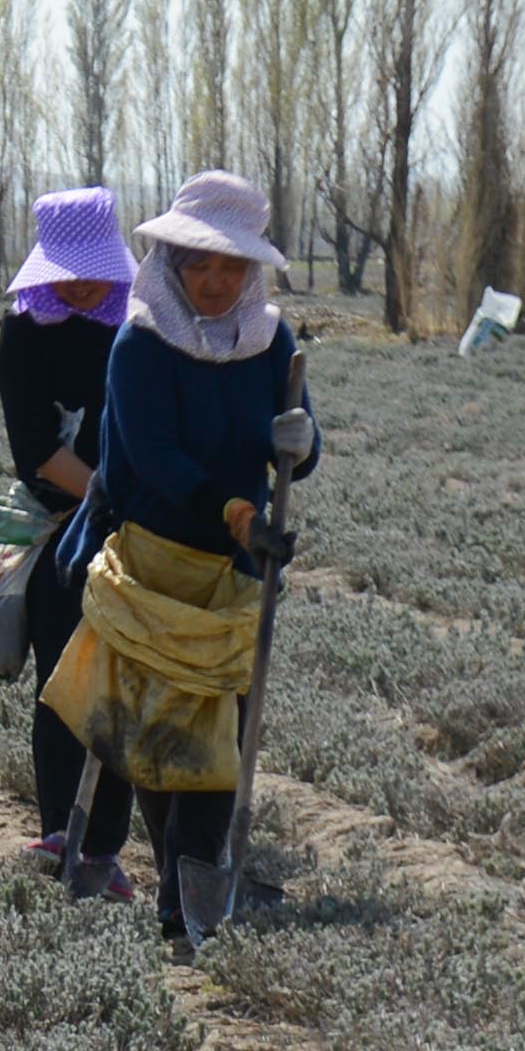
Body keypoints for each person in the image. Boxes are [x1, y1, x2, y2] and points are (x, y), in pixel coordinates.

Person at [69, 172, 318, 943]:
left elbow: (297, 446)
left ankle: (193, 895)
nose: (214, 281)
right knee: (160, 732)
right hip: (155, 554)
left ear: (252, 272)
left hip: (236, 565)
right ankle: (183, 896)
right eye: (199, 265)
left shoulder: (270, 341)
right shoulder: (141, 342)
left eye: (231, 267)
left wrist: (301, 445)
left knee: (219, 726)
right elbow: (152, 457)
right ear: (170, 262)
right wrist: (238, 512)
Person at [0, 186, 137, 894]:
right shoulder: (23, 335)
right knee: (63, 679)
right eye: (69, 271)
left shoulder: (135, 330)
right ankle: (60, 829)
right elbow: (39, 454)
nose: (82, 285)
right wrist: (109, 496)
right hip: (61, 528)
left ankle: (104, 847)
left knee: (120, 682)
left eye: (94, 269)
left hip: (138, 529)